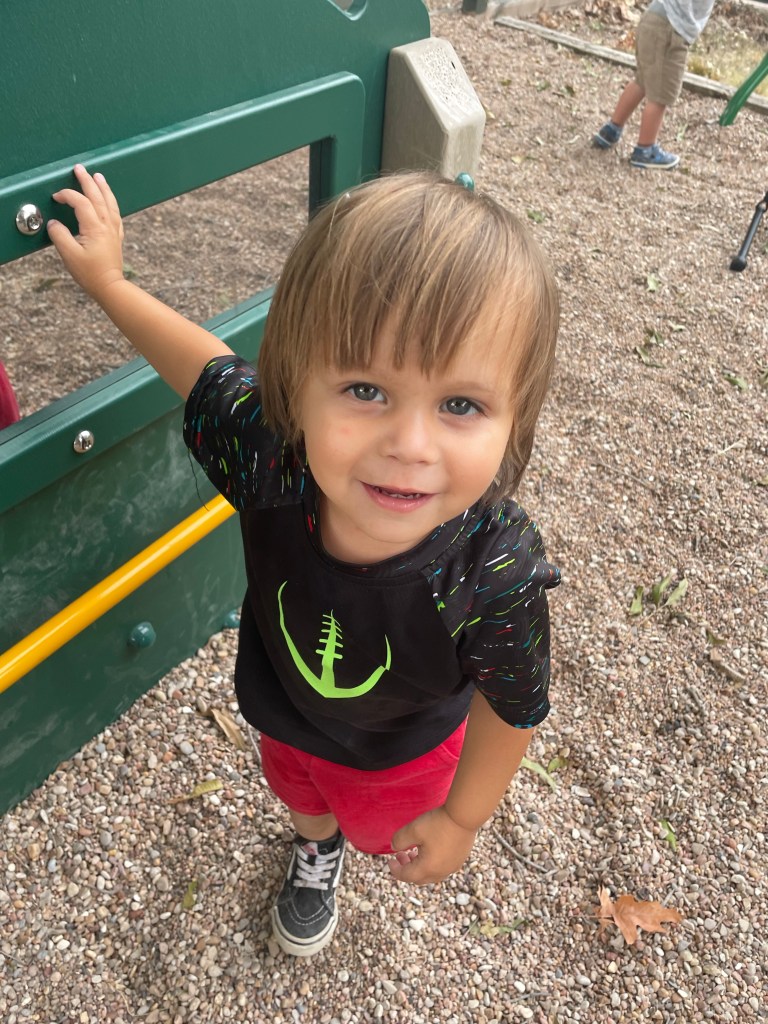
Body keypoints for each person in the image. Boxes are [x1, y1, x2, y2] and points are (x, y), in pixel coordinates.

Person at [48, 164, 561, 957]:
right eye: (365, 389)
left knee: (383, 832)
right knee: (300, 795)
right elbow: (202, 369)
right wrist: (110, 283)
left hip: (404, 754)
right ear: (295, 385)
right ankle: (314, 849)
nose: (410, 445)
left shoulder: (493, 569)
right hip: (284, 715)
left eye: (460, 404)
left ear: (515, 418)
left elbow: (513, 702)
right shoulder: (273, 461)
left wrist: (463, 818)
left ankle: (339, 842)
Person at [593, 0, 716, 169]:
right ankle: (645, 150)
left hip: (654, 16)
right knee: (661, 94)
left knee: (642, 81)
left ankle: (611, 130)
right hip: (670, 28)